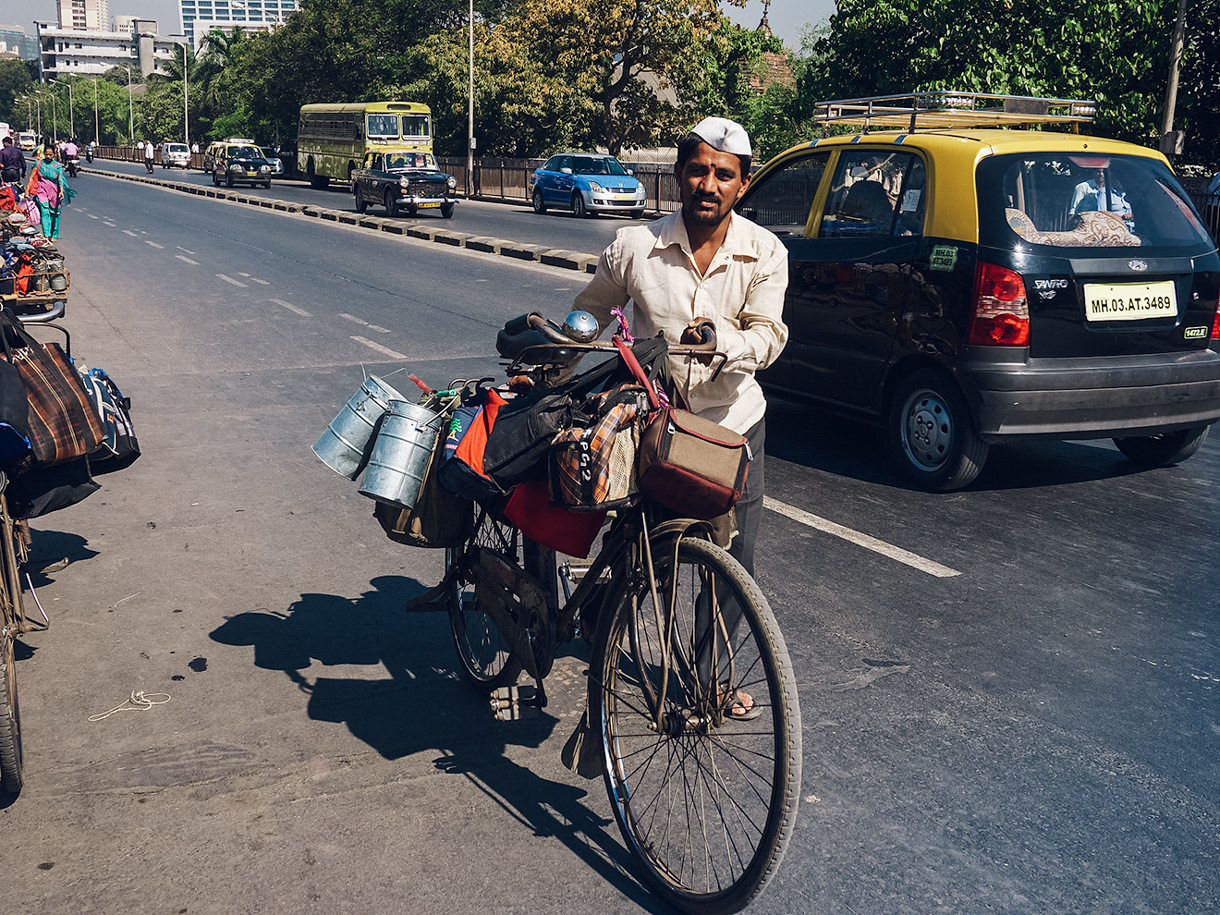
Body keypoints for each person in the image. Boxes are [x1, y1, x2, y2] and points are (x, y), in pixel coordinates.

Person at [27, 147, 75, 240]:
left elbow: (60, 179)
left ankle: (54, 234)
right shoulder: (38, 163)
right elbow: (31, 177)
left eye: (50, 155)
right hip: (41, 190)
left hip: (55, 192)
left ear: (54, 155)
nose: (48, 156)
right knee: (45, 211)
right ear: (44, 153)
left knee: (55, 213)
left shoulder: (58, 166)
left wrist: (61, 191)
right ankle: (46, 234)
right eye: (46, 154)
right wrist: (27, 191)